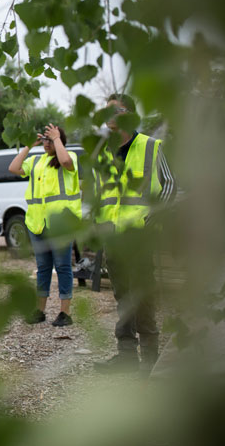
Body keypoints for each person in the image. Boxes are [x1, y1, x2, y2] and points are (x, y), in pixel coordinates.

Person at [93, 93, 175, 375]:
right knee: (123, 297)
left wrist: (149, 222)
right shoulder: (104, 151)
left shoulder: (151, 146)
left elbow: (169, 185)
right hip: (113, 238)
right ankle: (126, 357)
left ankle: (150, 360)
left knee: (143, 298)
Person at [8, 124, 81, 327]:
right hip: (37, 224)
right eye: (45, 140)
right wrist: (28, 147)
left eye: (50, 140)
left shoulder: (70, 157)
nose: (47, 143)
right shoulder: (36, 161)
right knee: (43, 268)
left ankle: (65, 312)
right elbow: (13, 168)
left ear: (59, 140)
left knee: (63, 266)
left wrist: (57, 138)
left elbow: (65, 160)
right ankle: (40, 310)